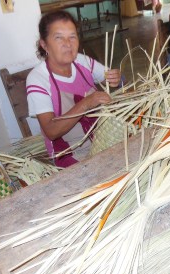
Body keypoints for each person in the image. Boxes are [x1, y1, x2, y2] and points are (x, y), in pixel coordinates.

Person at [26, 11, 121, 168]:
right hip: (70, 152)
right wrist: (85, 104)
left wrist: (116, 79)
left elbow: (114, 82)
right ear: (44, 44)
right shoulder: (38, 79)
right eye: (58, 37)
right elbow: (51, 130)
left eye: (72, 36)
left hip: (103, 136)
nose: (67, 43)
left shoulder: (82, 61)